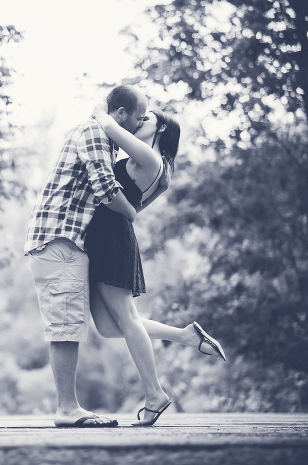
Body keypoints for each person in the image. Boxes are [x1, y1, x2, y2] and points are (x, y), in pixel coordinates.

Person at [87, 100, 226, 427]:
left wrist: (99, 110)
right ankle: (186, 336)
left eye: (146, 118)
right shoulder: (157, 168)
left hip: (111, 241)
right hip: (111, 236)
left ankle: (155, 395)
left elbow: (109, 127)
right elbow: (133, 210)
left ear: (160, 127)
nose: (140, 121)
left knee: (126, 319)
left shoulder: (149, 157)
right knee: (109, 328)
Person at [24, 85, 146, 428]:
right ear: (120, 114)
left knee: (72, 325)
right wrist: (133, 212)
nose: (139, 125)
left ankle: (69, 407)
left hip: (63, 241)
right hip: (59, 240)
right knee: (65, 327)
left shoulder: (97, 131)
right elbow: (105, 188)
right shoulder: (94, 131)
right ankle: (66, 410)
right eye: (138, 117)